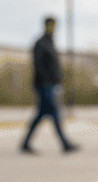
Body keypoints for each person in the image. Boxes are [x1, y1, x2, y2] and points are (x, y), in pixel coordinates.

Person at [20, 17, 79, 153]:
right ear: (46, 25)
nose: (53, 28)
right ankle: (65, 143)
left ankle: (26, 143)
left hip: (52, 85)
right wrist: (47, 82)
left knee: (41, 115)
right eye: (51, 25)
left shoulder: (51, 42)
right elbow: (39, 66)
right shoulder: (40, 43)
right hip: (44, 86)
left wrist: (58, 82)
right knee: (55, 113)